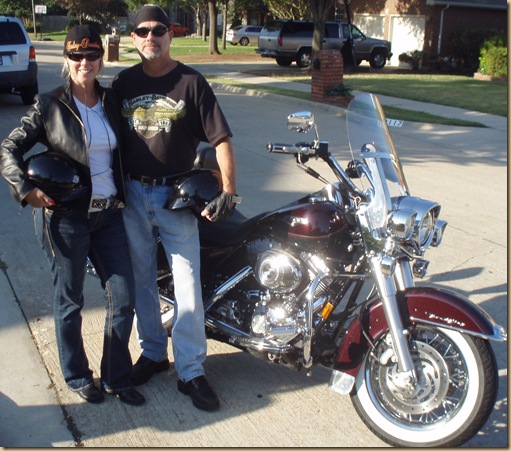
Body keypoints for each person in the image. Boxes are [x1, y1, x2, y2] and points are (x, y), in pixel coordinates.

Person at [0, 25, 144, 406]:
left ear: (101, 59)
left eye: (92, 55)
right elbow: (8, 149)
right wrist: (25, 189)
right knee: (70, 300)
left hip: (110, 214)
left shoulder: (112, 101)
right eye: (77, 56)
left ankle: (116, 376)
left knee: (123, 297)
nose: (85, 62)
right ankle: (78, 374)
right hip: (67, 216)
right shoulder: (49, 106)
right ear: (66, 59)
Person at [111, 4, 238, 411]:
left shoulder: (191, 82)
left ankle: (191, 370)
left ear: (171, 34)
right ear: (133, 38)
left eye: (159, 30)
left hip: (177, 199)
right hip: (132, 196)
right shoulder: (122, 84)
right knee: (143, 282)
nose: (151, 37)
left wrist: (229, 190)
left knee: (186, 287)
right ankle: (152, 352)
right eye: (143, 31)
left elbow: (221, 139)